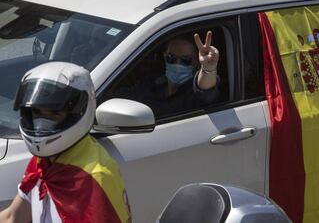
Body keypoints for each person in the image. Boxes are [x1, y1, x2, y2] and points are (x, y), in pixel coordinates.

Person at [0, 62, 131, 223]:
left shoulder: (95, 177)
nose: (42, 123)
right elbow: (13, 217)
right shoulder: (45, 161)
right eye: (36, 112)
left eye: (54, 113)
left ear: (77, 111)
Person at [115, 30, 220, 117]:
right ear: (164, 57)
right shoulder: (149, 84)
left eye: (185, 60)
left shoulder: (194, 92)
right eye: (171, 58)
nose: (177, 64)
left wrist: (208, 67)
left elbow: (206, 92)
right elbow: (120, 98)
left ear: (196, 63)